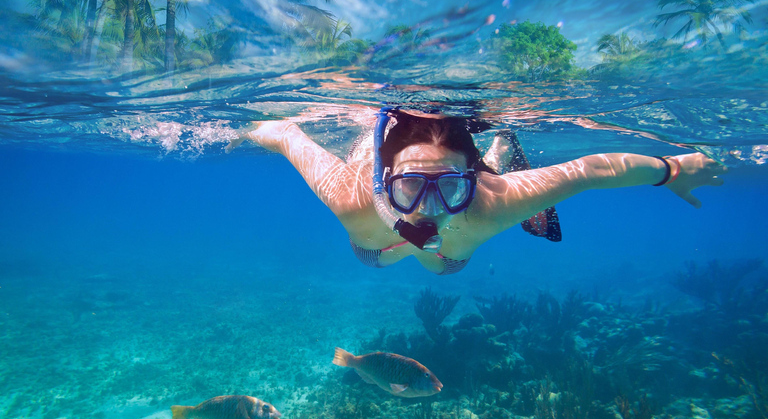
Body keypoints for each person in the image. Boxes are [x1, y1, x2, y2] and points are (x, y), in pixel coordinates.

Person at [225, 108, 726, 275]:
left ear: (473, 180)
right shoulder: (353, 198)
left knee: (443, 266)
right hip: (376, 247)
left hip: (452, 252)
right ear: (385, 182)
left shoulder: (492, 200)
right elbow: (289, 133)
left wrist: (671, 169)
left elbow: (592, 169)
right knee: (384, 255)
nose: (427, 208)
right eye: (411, 186)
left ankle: (498, 153)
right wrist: (244, 130)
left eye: (449, 187)